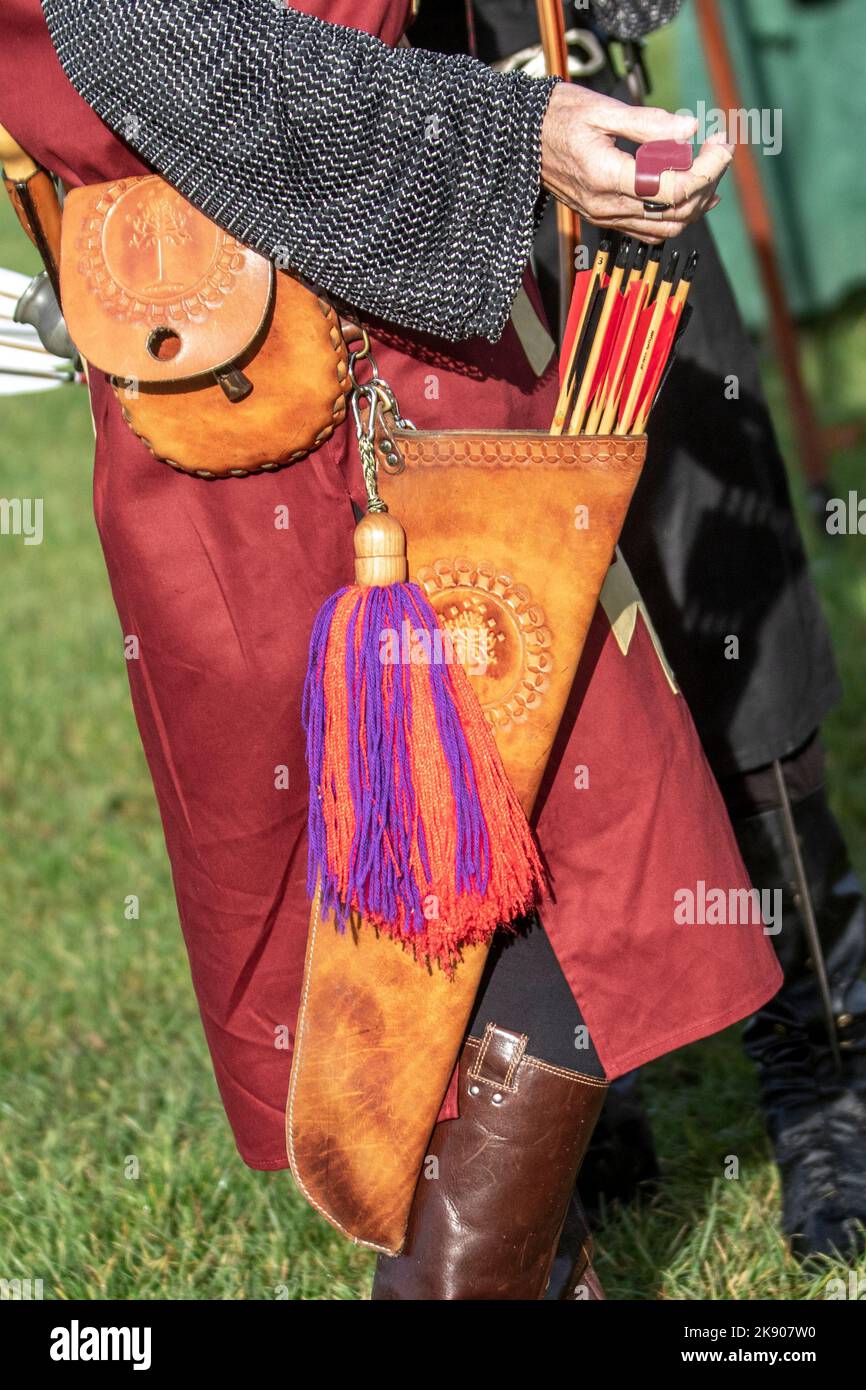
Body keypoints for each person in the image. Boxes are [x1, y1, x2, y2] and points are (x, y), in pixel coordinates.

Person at [1, 0, 782, 1299]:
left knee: (553, 846)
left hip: (409, 325)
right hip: (247, 372)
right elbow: (146, 34)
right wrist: (512, 130)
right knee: (463, 892)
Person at [415, 0, 866, 1262]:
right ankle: (583, 1066)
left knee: (739, 649)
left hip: (604, 165)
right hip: (403, 221)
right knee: (509, 679)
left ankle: (824, 1072)